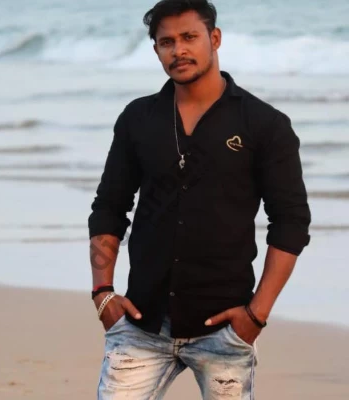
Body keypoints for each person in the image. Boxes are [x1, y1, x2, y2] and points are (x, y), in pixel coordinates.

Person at [88, 0, 311, 398]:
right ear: (156, 49)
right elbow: (109, 206)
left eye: (189, 37)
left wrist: (256, 315)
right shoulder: (138, 118)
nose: (179, 50)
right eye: (166, 42)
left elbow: (291, 223)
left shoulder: (264, 124)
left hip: (224, 330)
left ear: (215, 38)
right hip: (141, 324)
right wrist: (102, 293)